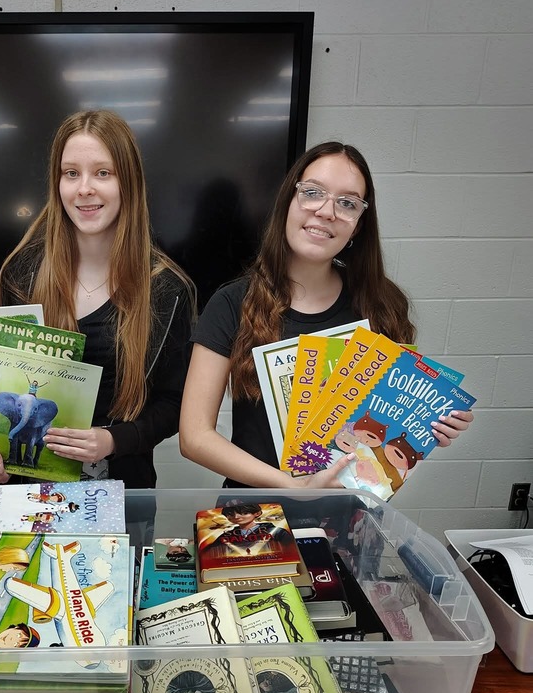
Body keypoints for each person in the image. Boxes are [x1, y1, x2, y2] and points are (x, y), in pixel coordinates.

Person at [179, 141, 473, 489]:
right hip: (256, 515)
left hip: (348, 514)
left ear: (358, 225)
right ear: (289, 201)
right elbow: (194, 437)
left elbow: (386, 425)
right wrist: (293, 486)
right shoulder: (232, 303)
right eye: (313, 192)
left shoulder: (382, 304)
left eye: (347, 203)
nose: (326, 211)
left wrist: (429, 424)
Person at [0, 109, 195, 489]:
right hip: (27, 499)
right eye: (71, 173)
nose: (84, 188)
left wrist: (112, 440)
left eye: (103, 173)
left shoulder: (167, 289)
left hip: (122, 496)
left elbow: (174, 404)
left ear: (129, 183)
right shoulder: (20, 276)